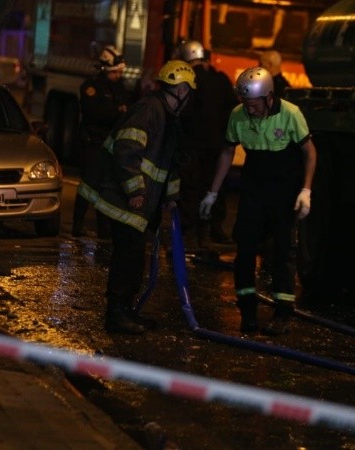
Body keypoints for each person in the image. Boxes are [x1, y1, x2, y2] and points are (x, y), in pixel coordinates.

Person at [78, 60, 197, 334]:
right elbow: (126, 150)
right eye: (188, 92)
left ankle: (126, 311)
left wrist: (171, 197)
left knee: (133, 257)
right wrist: (135, 190)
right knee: (128, 258)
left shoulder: (167, 116)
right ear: (180, 90)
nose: (189, 98)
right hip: (127, 200)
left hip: (142, 203)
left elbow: (169, 165)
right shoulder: (150, 110)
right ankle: (116, 315)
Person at [199, 66, 316, 335]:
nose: (249, 110)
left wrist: (306, 190)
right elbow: (228, 152)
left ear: (269, 98)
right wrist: (213, 192)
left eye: (253, 104)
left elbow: (310, 152)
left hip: (284, 191)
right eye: (245, 104)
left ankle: (283, 314)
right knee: (246, 249)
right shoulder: (237, 116)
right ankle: (248, 312)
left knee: (282, 251)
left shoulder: (290, 114)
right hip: (253, 190)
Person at [176, 40, 238, 248]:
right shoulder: (220, 79)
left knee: (191, 189)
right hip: (218, 146)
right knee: (213, 188)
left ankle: (188, 233)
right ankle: (212, 229)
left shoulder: (189, 80)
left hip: (192, 146)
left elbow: (184, 112)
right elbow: (232, 108)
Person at [72, 45, 134, 238]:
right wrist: (117, 112)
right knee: (88, 186)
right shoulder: (91, 87)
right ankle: (78, 224)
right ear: (107, 69)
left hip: (110, 144)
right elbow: (93, 113)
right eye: (116, 72)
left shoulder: (119, 87)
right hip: (93, 142)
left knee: (105, 187)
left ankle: (103, 227)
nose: (118, 75)